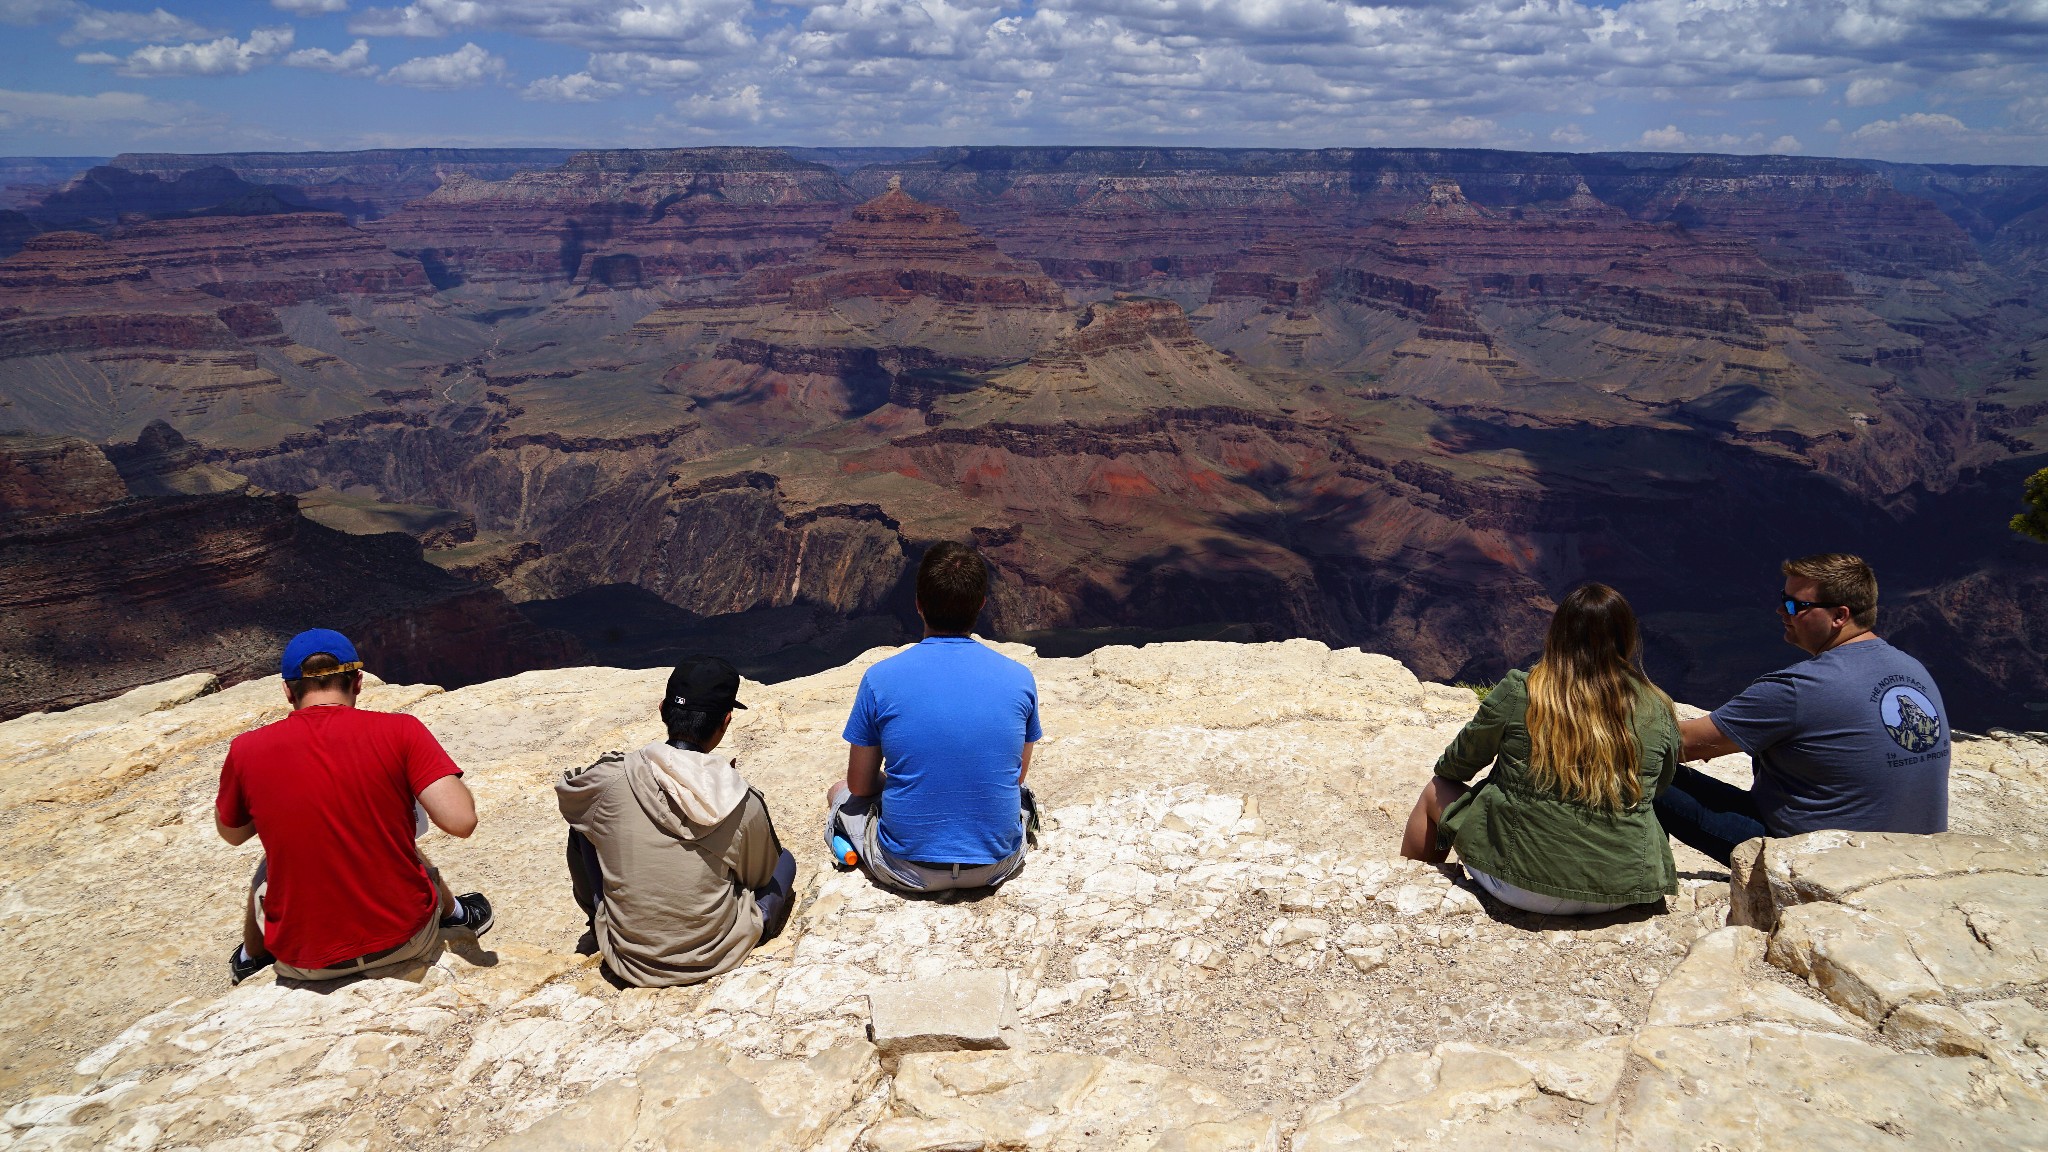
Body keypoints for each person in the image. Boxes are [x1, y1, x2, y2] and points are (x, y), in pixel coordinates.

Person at [217, 629, 491, 986]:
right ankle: (455, 916)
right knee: (390, 837)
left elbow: (233, 834)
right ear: (358, 682)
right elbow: (461, 821)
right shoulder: (400, 730)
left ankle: (252, 958)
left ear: (287, 690)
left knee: (272, 862)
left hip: (306, 962)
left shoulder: (246, 750)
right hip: (403, 943)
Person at [1400, 583, 1682, 916]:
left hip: (1519, 884)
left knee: (1436, 790)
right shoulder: (1658, 706)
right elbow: (1659, 785)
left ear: (1558, 632)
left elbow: (1454, 768)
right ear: (1626, 637)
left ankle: (1410, 888)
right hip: (1620, 890)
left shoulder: (1522, 689)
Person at [1653, 553, 1949, 865]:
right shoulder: (1912, 669)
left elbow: (1681, 744)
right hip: (1921, 855)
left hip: (1819, 860)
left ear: (1839, 615)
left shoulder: (1799, 688)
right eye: (1784, 599)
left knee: (1621, 766)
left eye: (1796, 605)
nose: (1782, 610)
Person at [558, 655, 795, 987]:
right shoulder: (742, 801)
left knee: (584, 823)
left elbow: (570, 794)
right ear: (725, 721)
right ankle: (750, 926)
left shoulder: (607, 779)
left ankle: (598, 919)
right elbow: (757, 876)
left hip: (627, 956)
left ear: (662, 709)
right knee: (784, 861)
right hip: (715, 954)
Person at [825, 542, 1040, 894]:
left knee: (840, 792)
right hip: (997, 864)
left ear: (919, 605)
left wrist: (901, 781)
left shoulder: (880, 679)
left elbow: (861, 785)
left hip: (905, 866)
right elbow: (1016, 777)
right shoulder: (1020, 678)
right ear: (981, 605)